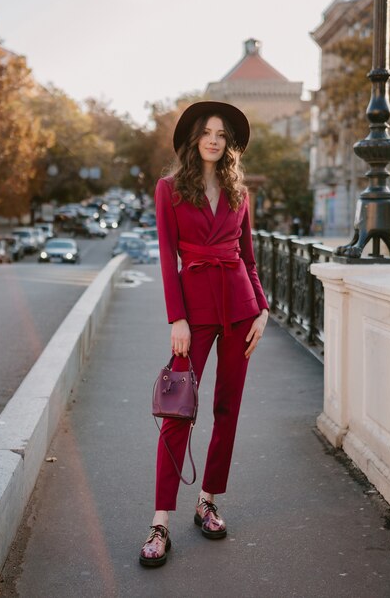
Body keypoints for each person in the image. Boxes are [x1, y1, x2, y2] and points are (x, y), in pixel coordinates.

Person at [139, 101, 269, 567]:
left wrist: (263, 310)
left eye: (222, 134)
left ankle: (208, 500)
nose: (214, 139)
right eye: (207, 132)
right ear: (194, 139)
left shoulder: (239, 191)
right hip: (193, 314)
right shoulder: (169, 189)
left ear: (229, 144)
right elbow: (167, 258)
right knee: (178, 413)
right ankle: (160, 522)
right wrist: (177, 319)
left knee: (227, 409)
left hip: (240, 310)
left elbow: (249, 259)